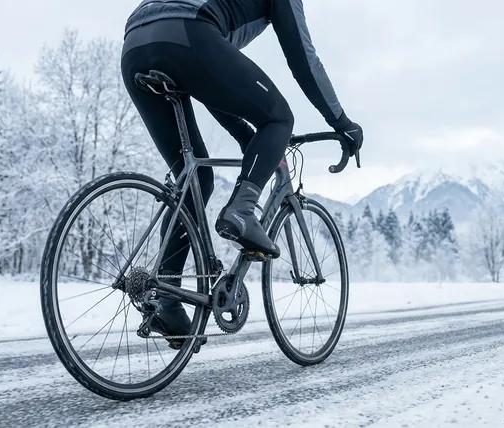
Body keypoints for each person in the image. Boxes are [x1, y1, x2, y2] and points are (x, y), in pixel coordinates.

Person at [121, 0, 363, 348]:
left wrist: (247, 138)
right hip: (189, 32)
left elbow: (212, 82)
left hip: (135, 44)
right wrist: (342, 123)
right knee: (279, 117)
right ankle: (242, 210)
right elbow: (303, 60)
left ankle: (168, 299)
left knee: (195, 180)